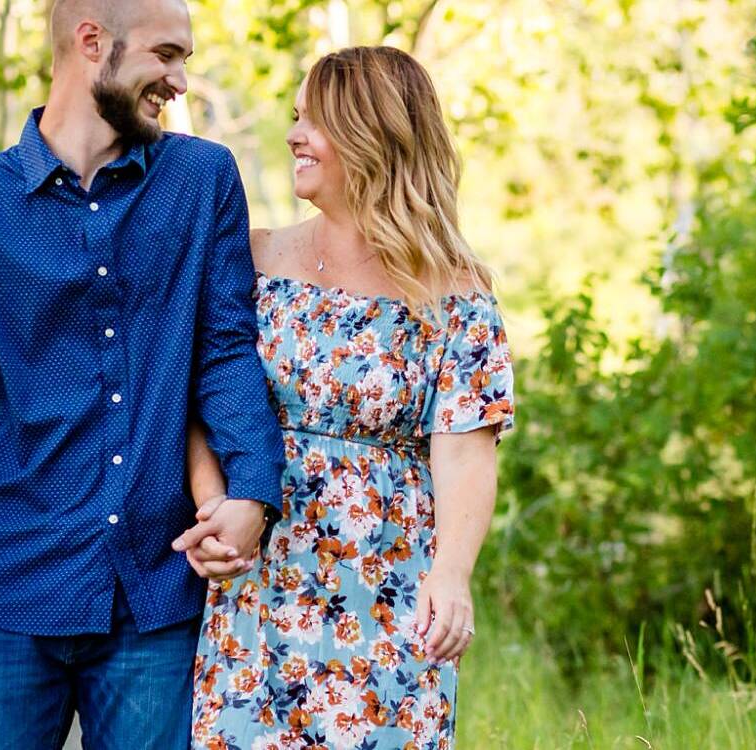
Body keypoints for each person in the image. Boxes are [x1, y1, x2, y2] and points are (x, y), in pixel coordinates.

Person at [0, 0, 285, 747]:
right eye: (167, 55)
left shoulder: (202, 180)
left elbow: (224, 347)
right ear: (93, 42)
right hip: (5, 595)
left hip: (156, 593)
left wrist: (251, 489)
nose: (180, 80)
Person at [182, 46, 516, 749]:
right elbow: (200, 396)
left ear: (374, 133)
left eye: (315, 122)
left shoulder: (456, 292)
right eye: (295, 117)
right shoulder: (253, 258)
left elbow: (466, 453)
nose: (293, 136)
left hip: (391, 587)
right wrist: (212, 504)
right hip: (260, 578)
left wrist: (452, 576)